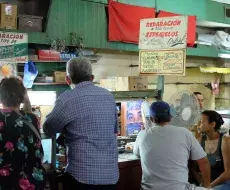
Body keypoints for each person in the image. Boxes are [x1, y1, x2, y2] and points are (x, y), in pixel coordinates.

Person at [43, 57, 119, 190]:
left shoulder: (67, 99)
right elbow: (114, 130)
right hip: (110, 177)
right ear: (92, 77)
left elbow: (48, 128)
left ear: (68, 79)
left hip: (81, 178)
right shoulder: (109, 97)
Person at [133, 101, 211, 190]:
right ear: (171, 117)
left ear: (151, 119)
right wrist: (207, 186)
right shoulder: (184, 133)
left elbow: (136, 154)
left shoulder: (142, 135)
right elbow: (204, 161)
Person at [0, 77, 45, 190]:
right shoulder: (32, 119)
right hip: (30, 182)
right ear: (22, 97)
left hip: (5, 183)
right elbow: (39, 154)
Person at [195, 110, 230, 189]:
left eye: (201, 122)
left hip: (224, 182)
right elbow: (193, 169)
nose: (198, 125)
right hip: (206, 183)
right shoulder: (199, 140)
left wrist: (209, 186)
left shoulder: (225, 140)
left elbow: (228, 173)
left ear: (212, 124)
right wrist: (201, 184)